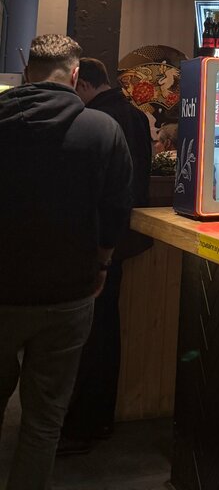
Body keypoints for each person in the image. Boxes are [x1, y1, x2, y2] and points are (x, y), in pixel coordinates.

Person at [0, 35, 133, 490]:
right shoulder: (101, 130)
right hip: (69, 292)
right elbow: (116, 209)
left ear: (27, 72)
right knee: (44, 420)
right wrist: (102, 264)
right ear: (76, 75)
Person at [59, 57, 153, 451]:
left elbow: (108, 190)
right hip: (124, 235)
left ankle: (85, 424)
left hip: (102, 239)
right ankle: (97, 422)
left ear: (82, 84)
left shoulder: (98, 119)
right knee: (104, 329)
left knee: (93, 334)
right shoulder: (133, 114)